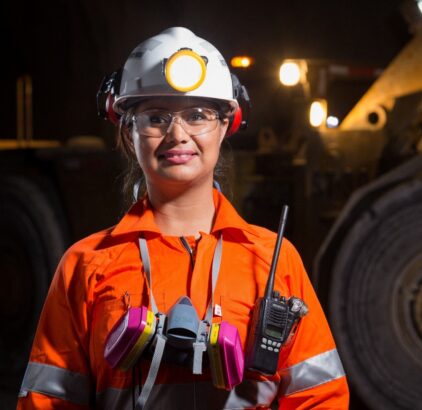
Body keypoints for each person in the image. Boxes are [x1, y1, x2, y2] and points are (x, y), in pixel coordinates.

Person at [17, 27, 349, 409]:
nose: (177, 134)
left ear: (227, 125)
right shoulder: (87, 264)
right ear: (128, 133)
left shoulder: (273, 258)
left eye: (197, 115)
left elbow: (320, 395)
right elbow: (46, 401)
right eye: (155, 117)